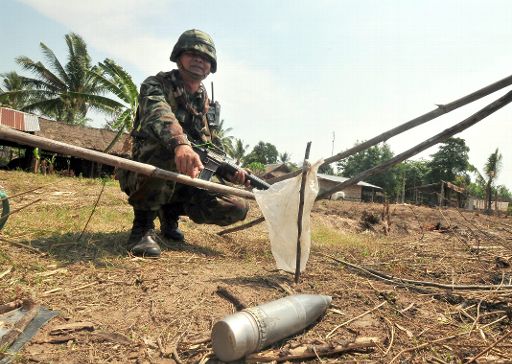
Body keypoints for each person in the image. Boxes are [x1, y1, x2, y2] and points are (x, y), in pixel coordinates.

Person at [118, 29, 249, 258]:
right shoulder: (155, 84)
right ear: (178, 56)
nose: (200, 59)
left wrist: (233, 170)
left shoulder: (207, 105)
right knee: (168, 149)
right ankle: (142, 227)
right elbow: (159, 115)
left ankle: (170, 214)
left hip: (186, 178)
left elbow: (212, 147)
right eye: (192, 53)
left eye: (206, 57)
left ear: (211, 66)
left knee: (237, 206)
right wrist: (180, 144)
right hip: (144, 170)